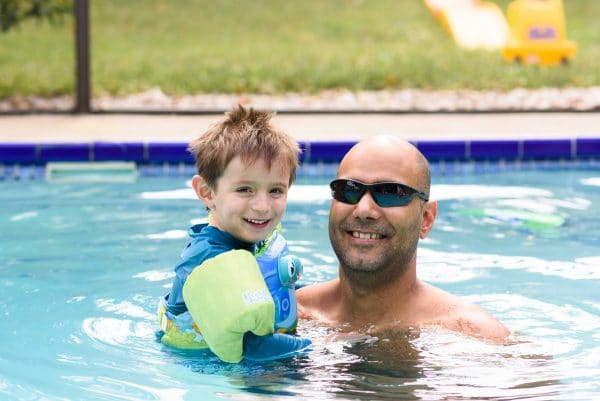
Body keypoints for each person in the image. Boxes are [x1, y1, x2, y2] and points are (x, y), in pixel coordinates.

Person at [297, 135, 510, 341]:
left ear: (426, 219)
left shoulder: (473, 335)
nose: (363, 209)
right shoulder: (290, 315)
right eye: (349, 190)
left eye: (390, 192)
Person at [157, 105, 311, 363]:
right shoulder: (208, 258)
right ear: (207, 192)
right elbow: (253, 347)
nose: (262, 206)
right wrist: (325, 352)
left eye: (275, 191)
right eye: (245, 190)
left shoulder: (254, 235)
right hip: (215, 371)